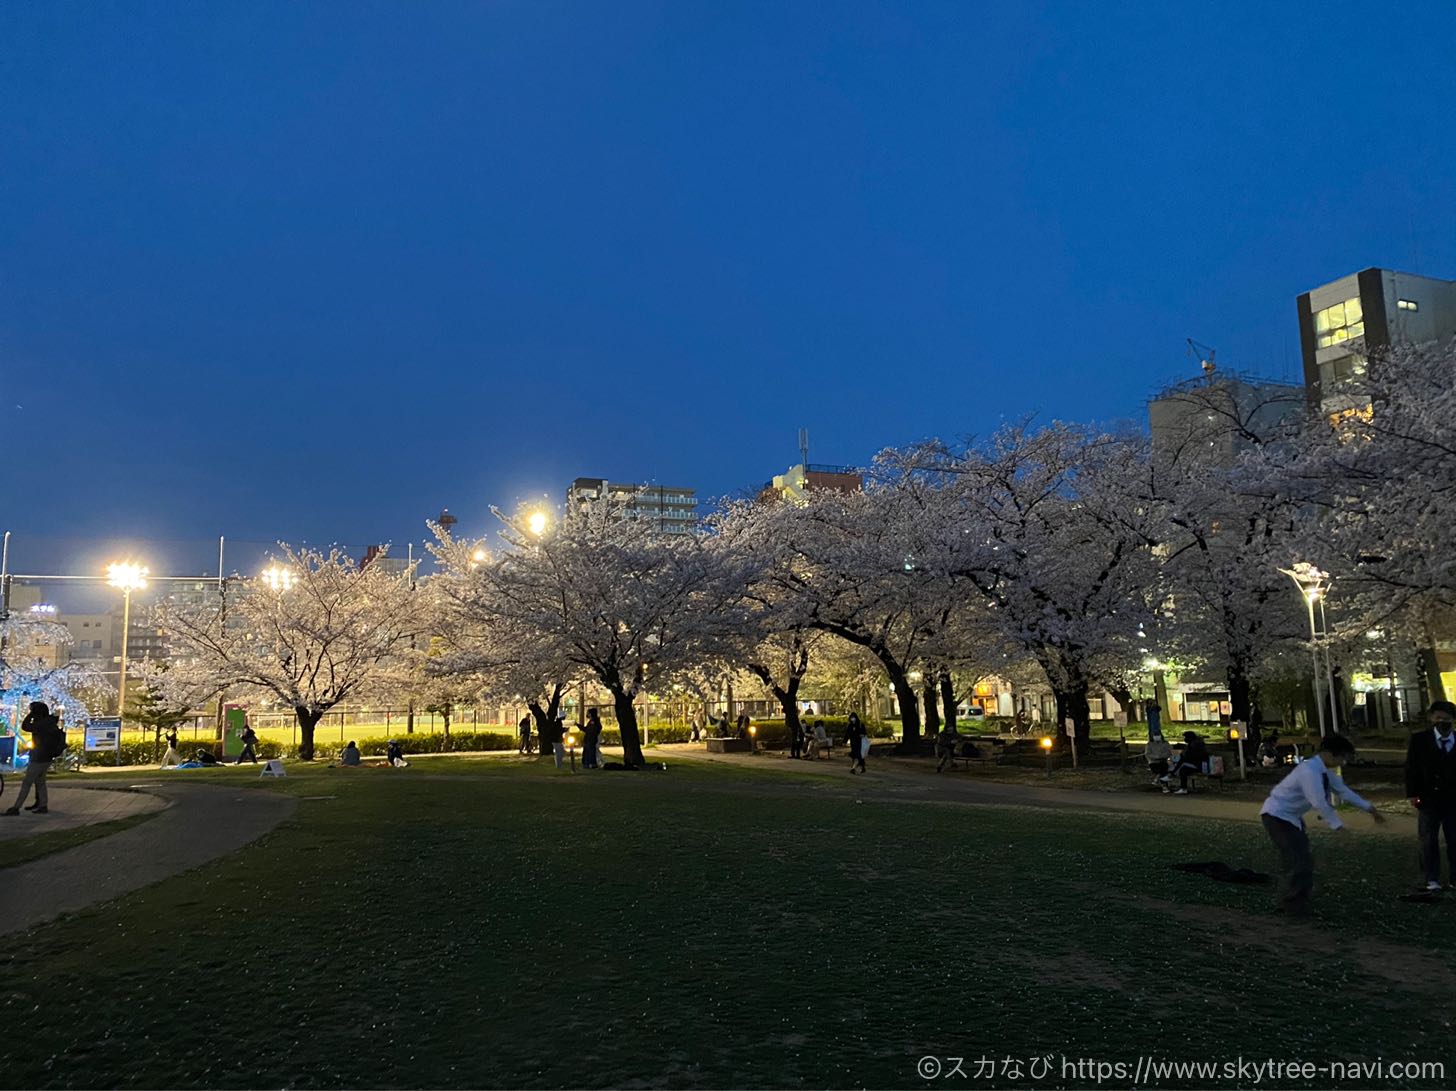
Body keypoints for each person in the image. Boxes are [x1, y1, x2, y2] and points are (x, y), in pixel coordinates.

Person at [1260, 733, 1383, 915]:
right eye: (1342, 758)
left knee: (1301, 858)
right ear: (1329, 754)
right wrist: (1337, 825)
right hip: (1277, 816)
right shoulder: (1309, 771)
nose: (1343, 763)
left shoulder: (1324, 771)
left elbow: (1343, 791)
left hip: (1290, 817)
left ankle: (1295, 900)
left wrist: (1370, 809)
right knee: (1297, 860)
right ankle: (1290, 903)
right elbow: (1318, 801)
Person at [1405, 700, 1456, 892]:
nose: (1442, 722)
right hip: (1428, 799)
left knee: (1455, 840)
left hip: (1453, 800)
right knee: (1428, 840)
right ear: (1431, 718)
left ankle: (1454, 878)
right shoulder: (1420, 740)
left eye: (1446, 718)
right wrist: (1413, 794)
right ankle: (1431, 878)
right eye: (1438, 718)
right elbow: (1411, 768)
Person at [3, 702, 65, 816]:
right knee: (40, 781)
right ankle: (42, 805)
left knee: (27, 782)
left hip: (39, 757)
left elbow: (25, 726)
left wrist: (30, 715)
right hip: (47, 756)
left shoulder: (41, 724)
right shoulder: (49, 722)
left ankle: (16, 807)